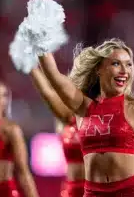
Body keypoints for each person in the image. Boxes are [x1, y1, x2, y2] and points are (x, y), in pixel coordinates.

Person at [35, 38, 134, 197]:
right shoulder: (82, 106)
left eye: (129, 64)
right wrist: (40, 35)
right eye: (116, 63)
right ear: (99, 69)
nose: (124, 70)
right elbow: (53, 76)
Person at [30, 67, 85, 197]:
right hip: (71, 189)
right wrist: (31, 65)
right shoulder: (66, 120)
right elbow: (47, 92)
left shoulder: (101, 117)